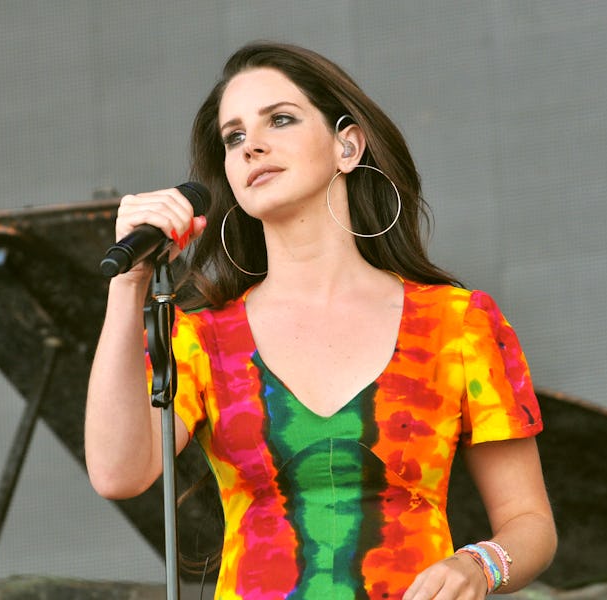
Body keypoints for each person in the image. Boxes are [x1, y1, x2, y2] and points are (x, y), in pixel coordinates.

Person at [85, 41, 557, 600]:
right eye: (234, 137)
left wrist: (478, 566)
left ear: (348, 145)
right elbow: (118, 474)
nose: (252, 146)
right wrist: (128, 283)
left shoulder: (457, 324)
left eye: (279, 120)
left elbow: (530, 523)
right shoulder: (204, 339)